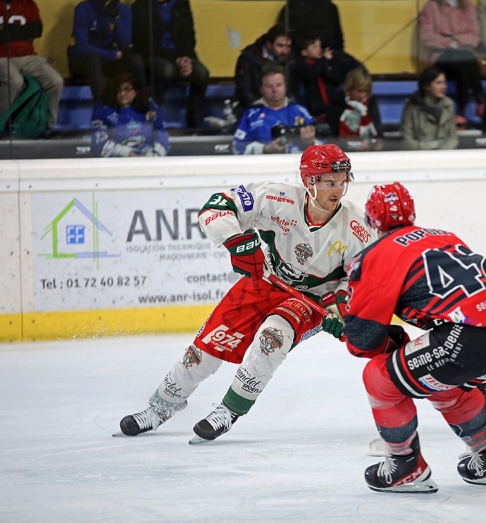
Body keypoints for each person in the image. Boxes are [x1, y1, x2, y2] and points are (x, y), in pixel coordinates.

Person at [118, 144, 375, 442]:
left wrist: (339, 312)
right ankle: (159, 408)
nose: (339, 190)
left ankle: (229, 410)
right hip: (264, 281)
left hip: (311, 299)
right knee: (206, 349)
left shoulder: (357, 228)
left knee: (271, 339)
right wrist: (236, 241)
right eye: (331, 182)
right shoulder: (276, 197)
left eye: (344, 182)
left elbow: (358, 280)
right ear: (310, 181)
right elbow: (217, 206)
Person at [341, 182, 486, 493]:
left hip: (467, 338)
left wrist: (349, 326)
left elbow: (362, 341)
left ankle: (405, 465)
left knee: (379, 377)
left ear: (371, 221)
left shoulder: (376, 254)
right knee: (440, 381)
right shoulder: (443, 235)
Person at [0, 0, 64, 137]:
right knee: (14, 81)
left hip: (28, 56)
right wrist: (22, 32)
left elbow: (37, 30)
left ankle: (46, 127)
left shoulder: (27, 3)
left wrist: (5, 29)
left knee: (56, 81)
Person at [131, 0, 209, 129]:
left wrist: (185, 58)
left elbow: (189, 35)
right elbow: (145, 43)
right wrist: (176, 60)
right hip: (154, 56)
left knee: (202, 73)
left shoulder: (181, 3)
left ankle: (194, 122)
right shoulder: (140, 6)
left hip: (180, 56)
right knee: (168, 71)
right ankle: (149, 114)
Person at [418, 0, 483, 126]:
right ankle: (479, 100)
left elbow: (475, 36)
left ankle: (461, 112)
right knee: (465, 60)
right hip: (441, 56)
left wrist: (458, 41)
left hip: (464, 54)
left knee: (463, 63)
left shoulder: (468, 6)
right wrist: (448, 43)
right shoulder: (431, 6)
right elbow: (426, 36)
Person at [67, 0, 145, 100]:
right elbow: (82, 46)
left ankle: (143, 101)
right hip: (83, 60)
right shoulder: (83, 8)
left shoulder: (124, 10)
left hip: (110, 60)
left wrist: (116, 18)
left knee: (134, 59)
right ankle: (103, 105)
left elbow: (125, 43)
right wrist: (111, 55)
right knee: (94, 59)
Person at [233, 65, 317, 155]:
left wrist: (309, 143)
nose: (275, 90)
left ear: (285, 86)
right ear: (261, 89)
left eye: (279, 85)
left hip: (296, 165)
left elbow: (323, 146)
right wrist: (265, 149)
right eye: (269, 86)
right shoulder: (251, 114)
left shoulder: (300, 111)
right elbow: (236, 148)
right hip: (263, 166)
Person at [90, 73, 169, 157]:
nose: (122, 93)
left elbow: (161, 134)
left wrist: (152, 156)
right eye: (118, 90)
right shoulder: (103, 107)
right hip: (117, 163)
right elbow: (98, 144)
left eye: (127, 89)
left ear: (136, 91)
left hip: (148, 159)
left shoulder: (148, 105)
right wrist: (128, 153)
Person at [289, 36, 345, 135]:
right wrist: (323, 60)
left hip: (331, 109)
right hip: (313, 111)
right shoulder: (300, 66)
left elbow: (337, 79)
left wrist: (330, 63)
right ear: (304, 52)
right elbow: (311, 74)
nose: (319, 49)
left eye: (319, 46)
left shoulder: (324, 64)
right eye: (314, 47)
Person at [234, 24, 292, 113]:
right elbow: (245, 91)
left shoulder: (288, 59)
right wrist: (263, 109)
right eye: (280, 46)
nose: (285, 51)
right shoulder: (248, 58)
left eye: (288, 47)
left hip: (281, 109)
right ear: (268, 44)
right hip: (253, 109)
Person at [400, 66, 458, 150]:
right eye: (438, 83)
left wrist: (442, 151)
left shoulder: (449, 105)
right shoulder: (412, 106)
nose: (444, 87)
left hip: (444, 155)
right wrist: (429, 149)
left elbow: (453, 138)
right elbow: (406, 139)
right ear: (426, 86)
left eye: (444, 83)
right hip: (420, 156)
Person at [338, 66, 382, 151]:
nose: (362, 95)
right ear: (350, 88)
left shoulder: (371, 103)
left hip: (369, 149)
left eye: (365, 91)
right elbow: (334, 135)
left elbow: (377, 127)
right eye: (359, 91)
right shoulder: (339, 104)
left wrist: (377, 143)